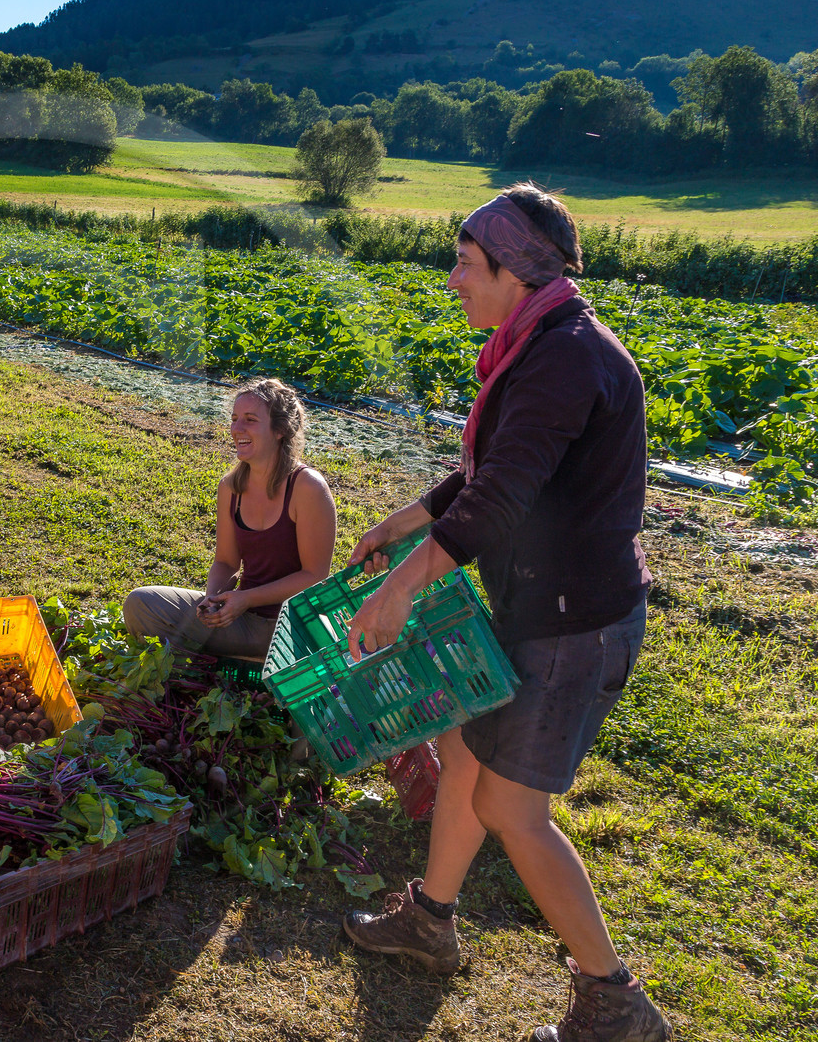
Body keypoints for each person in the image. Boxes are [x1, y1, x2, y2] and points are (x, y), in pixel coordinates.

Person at [339, 184, 668, 1042]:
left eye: (465, 263)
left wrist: (403, 583)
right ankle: (432, 919)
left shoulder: (564, 359)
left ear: (515, 273)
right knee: (460, 746)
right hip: (539, 607)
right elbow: (496, 465)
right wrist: (407, 517)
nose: (453, 279)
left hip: (572, 626)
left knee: (512, 812)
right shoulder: (543, 342)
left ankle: (614, 1001)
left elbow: (506, 497)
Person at [123, 378, 335, 658]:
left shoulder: (306, 486)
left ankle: (243, 664)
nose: (237, 429)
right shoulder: (231, 487)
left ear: (280, 430)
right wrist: (212, 600)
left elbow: (314, 577)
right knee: (141, 604)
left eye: (250, 420)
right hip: (241, 620)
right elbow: (225, 562)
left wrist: (246, 599)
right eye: (234, 419)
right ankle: (236, 663)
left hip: (290, 629)